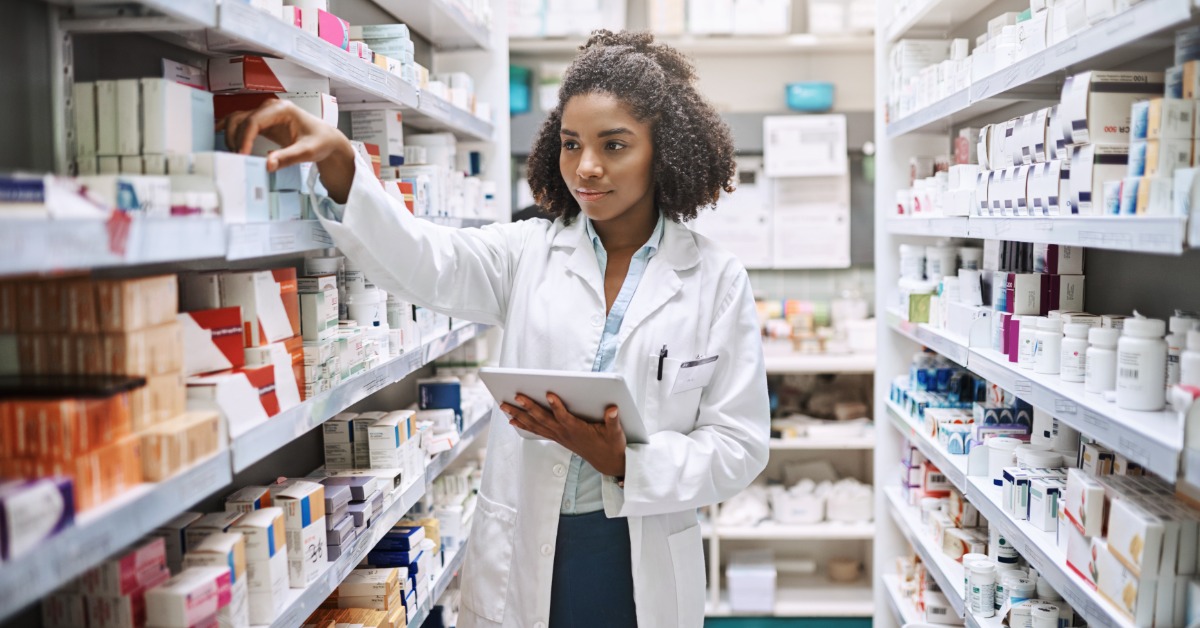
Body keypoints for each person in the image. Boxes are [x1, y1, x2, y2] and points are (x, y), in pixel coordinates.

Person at [219, 29, 769, 628]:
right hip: (530, 549)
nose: (586, 167)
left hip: (640, 558)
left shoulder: (715, 279)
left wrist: (624, 461)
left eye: (614, 145)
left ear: (663, 152)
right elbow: (426, 262)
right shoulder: (526, 250)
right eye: (570, 143)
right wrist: (342, 165)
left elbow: (739, 444)